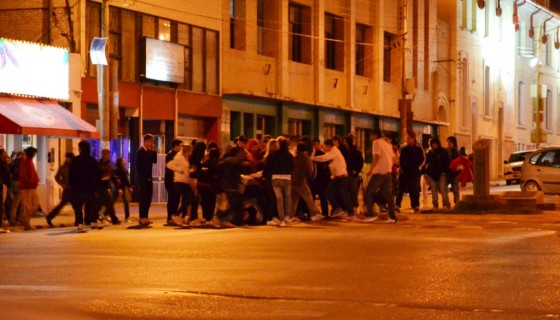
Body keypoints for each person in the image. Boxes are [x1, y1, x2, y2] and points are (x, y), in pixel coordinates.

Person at [311, 139, 353, 218]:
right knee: (329, 192)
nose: (323, 148)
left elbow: (323, 158)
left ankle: (347, 212)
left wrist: (312, 158)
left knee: (341, 195)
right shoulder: (332, 152)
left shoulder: (334, 152)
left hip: (341, 177)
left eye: (325, 146)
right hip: (338, 177)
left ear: (329, 146)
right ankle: (339, 209)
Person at [363, 129, 397, 223]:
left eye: (371, 135)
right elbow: (395, 160)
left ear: (375, 135)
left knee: (368, 192)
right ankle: (392, 217)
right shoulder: (387, 144)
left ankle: (371, 215)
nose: (370, 138)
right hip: (388, 172)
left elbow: (376, 157)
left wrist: (371, 170)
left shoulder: (376, 143)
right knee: (388, 195)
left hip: (379, 172)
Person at [214, 147, 252, 227]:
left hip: (226, 184)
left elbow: (218, 169)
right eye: (243, 153)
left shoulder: (225, 161)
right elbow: (246, 170)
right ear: (239, 153)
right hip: (232, 185)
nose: (244, 155)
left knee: (235, 204)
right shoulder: (236, 161)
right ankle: (221, 218)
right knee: (236, 204)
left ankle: (226, 219)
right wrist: (247, 163)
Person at [70, 141, 100, 231]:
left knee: (78, 207)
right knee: (91, 205)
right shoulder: (92, 160)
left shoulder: (75, 160)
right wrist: (95, 185)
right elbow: (98, 174)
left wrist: (72, 185)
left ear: (80, 149)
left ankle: (79, 223)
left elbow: (71, 175)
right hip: (90, 187)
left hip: (78, 187)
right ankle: (93, 222)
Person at [395, 130, 425, 213]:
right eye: (406, 137)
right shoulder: (402, 147)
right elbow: (399, 159)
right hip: (403, 171)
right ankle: (397, 205)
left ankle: (415, 206)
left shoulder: (419, 148)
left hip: (414, 172)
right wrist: (400, 168)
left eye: (408, 138)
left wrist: (419, 167)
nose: (406, 139)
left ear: (413, 138)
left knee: (414, 189)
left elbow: (422, 159)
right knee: (400, 189)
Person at [291, 142, 322, 222]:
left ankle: (290, 216)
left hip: (292, 181)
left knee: (294, 200)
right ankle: (314, 214)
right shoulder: (306, 158)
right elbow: (309, 170)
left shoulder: (294, 157)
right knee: (309, 199)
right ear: (305, 150)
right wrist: (311, 178)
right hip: (301, 181)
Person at [166, 144, 195, 225]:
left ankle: (181, 216)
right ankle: (176, 215)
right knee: (188, 197)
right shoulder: (178, 158)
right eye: (190, 151)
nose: (191, 152)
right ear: (186, 151)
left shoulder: (186, 158)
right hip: (179, 182)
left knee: (190, 198)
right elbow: (169, 165)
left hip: (185, 182)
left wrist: (190, 170)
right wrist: (179, 170)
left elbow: (185, 169)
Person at [45, 152, 74, 227]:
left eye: (70, 158)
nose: (69, 159)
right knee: (62, 205)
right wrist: (62, 184)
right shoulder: (63, 167)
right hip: (67, 189)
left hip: (74, 188)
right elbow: (57, 177)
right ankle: (49, 217)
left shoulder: (75, 166)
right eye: (68, 158)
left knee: (76, 206)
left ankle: (79, 220)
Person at [135, 134, 157, 226]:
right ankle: (142, 217)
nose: (152, 143)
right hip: (143, 179)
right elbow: (139, 166)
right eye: (151, 141)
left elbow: (154, 161)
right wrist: (141, 178)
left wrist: (154, 152)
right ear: (146, 141)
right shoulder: (140, 151)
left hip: (149, 178)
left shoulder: (149, 151)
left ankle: (146, 217)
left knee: (148, 198)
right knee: (143, 199)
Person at [424, 136, 451, 210]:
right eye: (433, 144)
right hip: (432, 175)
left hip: (442, 174)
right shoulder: (429, 152)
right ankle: (435, 205)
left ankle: (446, 205)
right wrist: (427, 173)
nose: (434, 145)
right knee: (434, 192)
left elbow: (447, 163)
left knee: (443, 190)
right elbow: (426, 163)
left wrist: (445, 172)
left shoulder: (443, 151)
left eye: (436, 144)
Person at [18, 147, 40, 230]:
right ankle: (26, 223)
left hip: (32, 186)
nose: (34, 155)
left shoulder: (30, 161)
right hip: (26, 187)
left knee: (36, 204)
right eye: (34, 153)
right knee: (27, 206)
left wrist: (35, 180)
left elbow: (33, 173)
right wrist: (30, 180)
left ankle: (24, 219)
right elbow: (23, 174)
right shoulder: (25, 161)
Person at [97, 149, 120, 225]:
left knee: (107, 203)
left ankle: (110, 218)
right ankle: (113, 219)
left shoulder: (109, 164)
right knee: (106, 203)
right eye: (108, 155)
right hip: (100, 186)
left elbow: (112, 174)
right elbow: (98, 174)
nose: (109, 157)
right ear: (104, 155)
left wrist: (115, 178)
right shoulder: (99, 164)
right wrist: (104, 176)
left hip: (106, 186)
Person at [343, 136, 365, 215]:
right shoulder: (344, 152)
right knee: (346, 192)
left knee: (353, 191)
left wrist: (356, 171)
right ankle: (348, 208)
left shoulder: (356, 152)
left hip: (354, 175)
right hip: (346, 174)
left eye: (345, 142)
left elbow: (361, 163)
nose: (344, 144)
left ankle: (355, 207)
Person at [198, 147, 221, 222]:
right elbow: (216, 176)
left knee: (204, 202)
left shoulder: (204, 163)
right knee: (211, 203)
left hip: (201, 186)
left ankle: (205, 217)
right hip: (210, 186)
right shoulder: (216, 164)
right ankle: (209, 218)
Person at [164, 139, 183, 225]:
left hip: (177, 181)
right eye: (180, 146)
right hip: (171, 181)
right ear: (176, 146)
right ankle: (170, 218)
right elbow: (169, 169)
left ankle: (174, 217)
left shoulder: (178, 155)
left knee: (177, 199)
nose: (181, 148)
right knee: (172, 200)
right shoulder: (170, 155)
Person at [311, 138, 330, 217]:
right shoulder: (312, 154)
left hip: (322, 179)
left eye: (317, 144)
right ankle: (313, 213)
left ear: (320, 144)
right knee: (312, 197)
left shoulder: (323, 154)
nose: (316, 146)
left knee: (323, 196)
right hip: (314, 179)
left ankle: (325, 213)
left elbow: (326, 166)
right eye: (314, 144)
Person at [113, 157, 132, 222]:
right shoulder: (116, 170)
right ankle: (108, 215)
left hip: (124, 187)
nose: (125, 162)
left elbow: (126, 180)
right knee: (112, 201)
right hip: (117, 188)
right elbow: (115, 180)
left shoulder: (125, 170)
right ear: (120, 162)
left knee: (126, 202)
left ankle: (127, 217)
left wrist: (129, 186)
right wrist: (118, 188)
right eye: (123, 161)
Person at [447, 136, 461, 206]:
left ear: (454, 143)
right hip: (448, 172)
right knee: (445, 189)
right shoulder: (446, 151)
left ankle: (457, 203)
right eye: (448, 142)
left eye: (450, 142)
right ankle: (446, 204)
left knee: (455, 188)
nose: (449, 144)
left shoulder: (456, 152)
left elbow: (458, 163)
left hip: (455, 173)